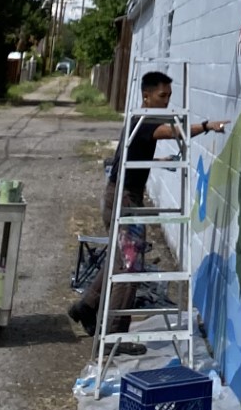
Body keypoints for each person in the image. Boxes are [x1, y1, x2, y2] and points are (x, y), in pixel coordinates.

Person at [69, 69, 225, 347]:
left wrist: (159, 157)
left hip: (121, 195)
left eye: (169, 96)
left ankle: (87, 305)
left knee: (121, 260)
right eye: (162, 96)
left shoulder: (139, 118)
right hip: (125, 199)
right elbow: (174, 132)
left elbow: (140, 148)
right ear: (147, 96)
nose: (166, 101)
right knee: (130, 268)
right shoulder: (146, 121)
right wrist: (206, 125)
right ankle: (116, 334)